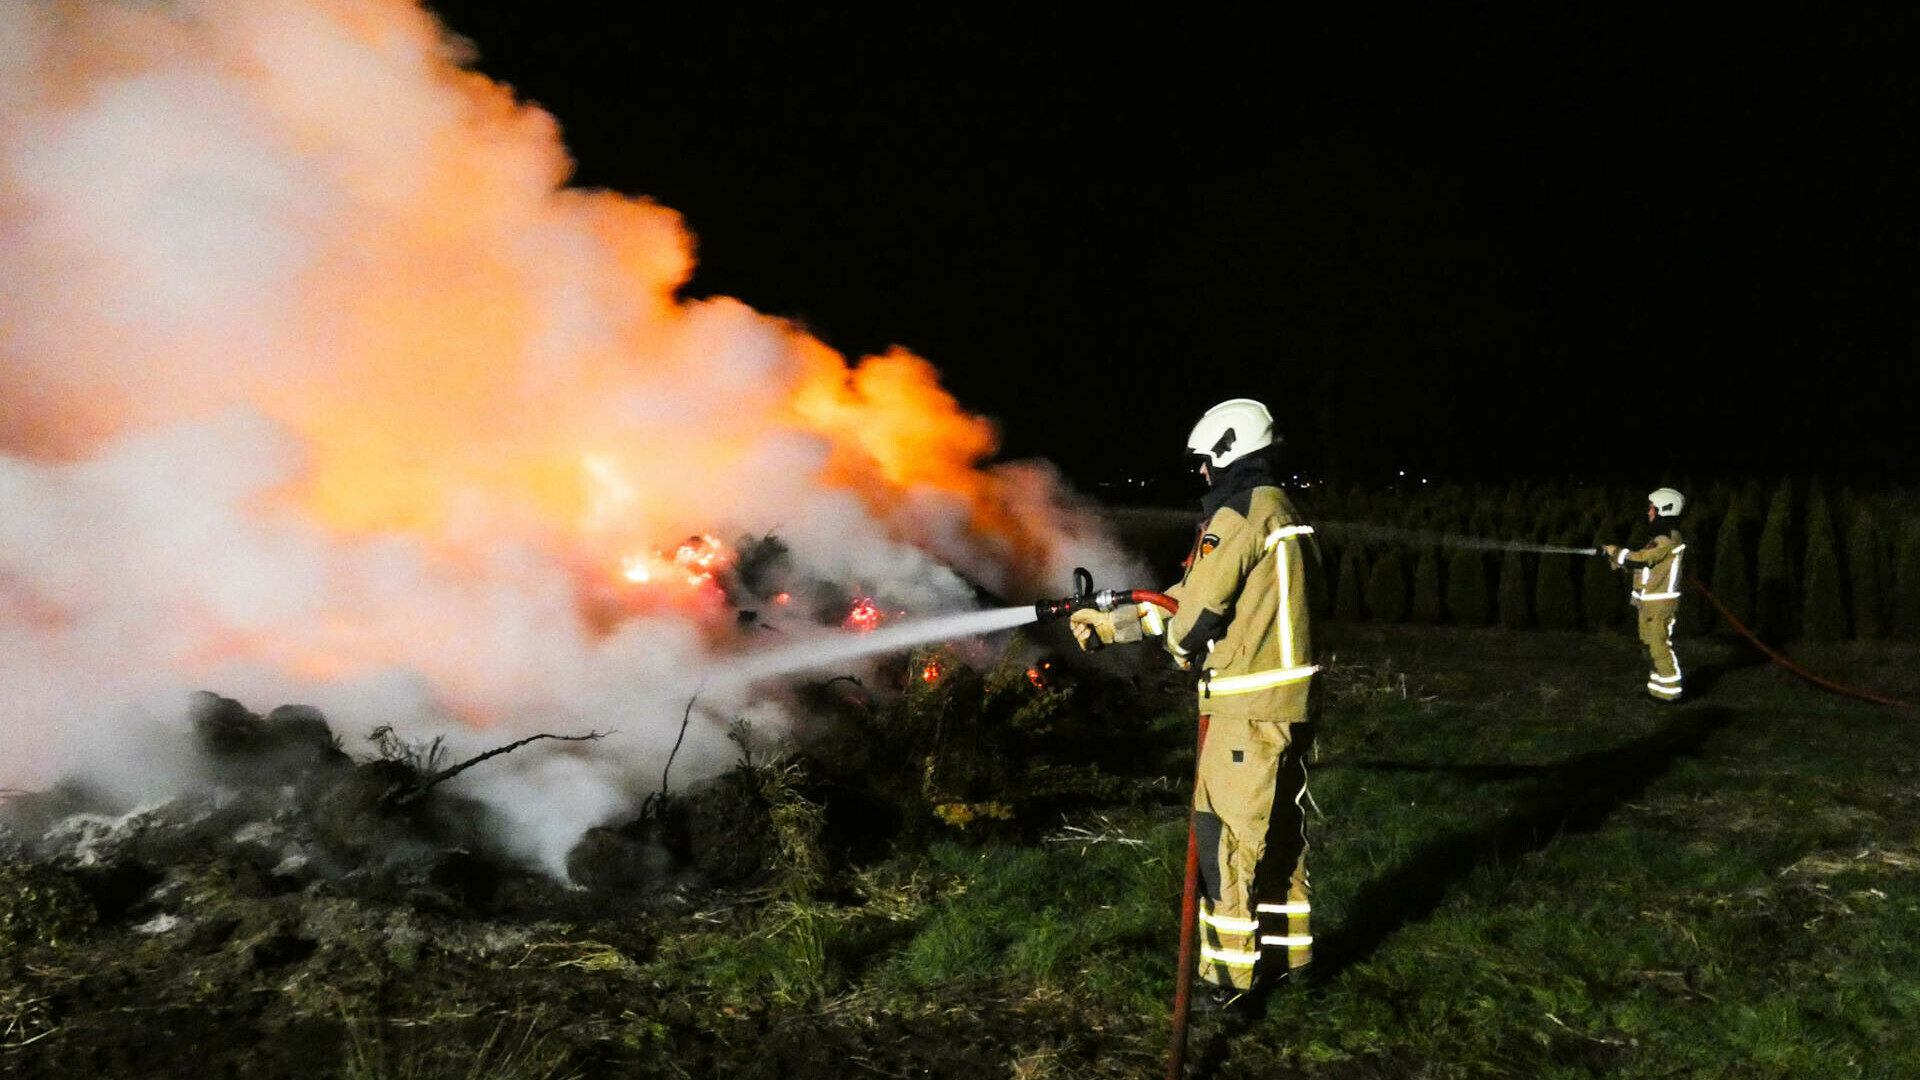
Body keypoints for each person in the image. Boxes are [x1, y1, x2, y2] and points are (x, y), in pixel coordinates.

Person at [1071, 398, 1318, 1011]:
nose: (1202, 476)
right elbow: (1186, 596)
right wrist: (1114, 625)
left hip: (1246, 708)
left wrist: (1174, 644)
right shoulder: (1280, 509)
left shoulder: (1237, 516)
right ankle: (1291, 958)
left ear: (1229, 453)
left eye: (1205, 463)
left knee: (1225, 838)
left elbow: (1191, 619)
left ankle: (1228, 982)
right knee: (1279, 833)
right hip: (1288, 703)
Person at [1604, 487, 1689, 702]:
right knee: (1651, 645)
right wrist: (1616, 559)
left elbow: (1641, 558)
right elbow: (1643, 566)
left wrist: (1616, 552)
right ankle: (1657, 690)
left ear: (1664, 510)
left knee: (1659, 644)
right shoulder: (1660, 538)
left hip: (1659, 603)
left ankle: (1671, 694)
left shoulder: (1667, 540)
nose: (1649, 513)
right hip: (1649, 602)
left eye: (1652, 509)